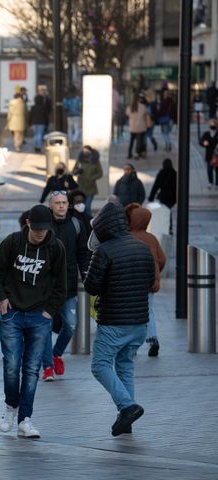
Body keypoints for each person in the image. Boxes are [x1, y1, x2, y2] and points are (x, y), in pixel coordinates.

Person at [0, 204, 67, 438]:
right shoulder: (13, 242)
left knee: (32, 368)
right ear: (28, 224)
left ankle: (25, 419)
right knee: (12, 364)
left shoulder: (56, 248)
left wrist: (50, 311)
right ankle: (11, 407)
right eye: (37, 228)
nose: (41, 233)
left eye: (45, 228)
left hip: (40, 315)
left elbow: (62, 284)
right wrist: (1, 296)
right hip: (12, 312)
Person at [84, 202, 155, 436]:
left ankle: (127, 407)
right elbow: (149, 282)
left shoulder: (104, 251)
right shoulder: (142, 248)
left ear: (103, 226)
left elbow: (92, 286)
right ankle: (126, 421)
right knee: (125, 365)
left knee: (100, 365)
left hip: (114, 321)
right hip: (139, 323)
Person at [41, 191, 90, 381]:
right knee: (45, 327)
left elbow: (83, 253)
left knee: (70, 325)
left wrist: (85, 273)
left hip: (68, 287)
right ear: (50, 206)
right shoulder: (44, 226)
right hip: (46, 288)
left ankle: (56, 353)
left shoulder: (76, 224)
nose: (61, 206)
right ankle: (47, 367)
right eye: (57, 203)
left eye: (64, 202)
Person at [125, 204, 166, 357]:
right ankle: (153, 339)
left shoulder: (127, 237)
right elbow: (162, 259)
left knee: (131, 313)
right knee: (149, 311)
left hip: (131, 283)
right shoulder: (152, 238)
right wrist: (156, 274)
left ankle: (132, 345)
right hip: (149, 282)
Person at [148, 158, 177, 234]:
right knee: (168, 211)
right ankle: (169, 227)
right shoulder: (174, 173)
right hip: (172, 197)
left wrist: (151, 197)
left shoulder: (161, 173)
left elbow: (156, 186)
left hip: (164, 196)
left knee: (165, 211)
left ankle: (167, 226)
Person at [71, 145, 103, 212]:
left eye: (86, 151)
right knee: (82, 207)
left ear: (90, 151)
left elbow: (100, 173)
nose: (85, 152)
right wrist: (78, 171)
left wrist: (92, 178)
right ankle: (83, 221)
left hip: (91, 187)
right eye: (83, 150)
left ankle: (88, 221)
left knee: (87, 207)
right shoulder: (80, 160)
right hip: (81, 186)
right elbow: (73, 171)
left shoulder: (95, 161)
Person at [126, 94, 148, 159]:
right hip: (140, 126)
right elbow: (145, 114)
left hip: (132, 126)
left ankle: (129, 153)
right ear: (139, 99)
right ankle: (137, 154)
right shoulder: (143, 106)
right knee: (139, 141)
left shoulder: (130, 107)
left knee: (131, 141)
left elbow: (127, 114)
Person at [200, 118, 218, 189]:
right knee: (209, 169)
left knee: (217, 170)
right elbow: (201, 141)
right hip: (209, 155)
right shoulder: (206, 134)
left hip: (217, 155)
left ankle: (217, 183)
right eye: (211, 125)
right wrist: (204, 143)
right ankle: (210, 182)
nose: (212, 127)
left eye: (213, 125)